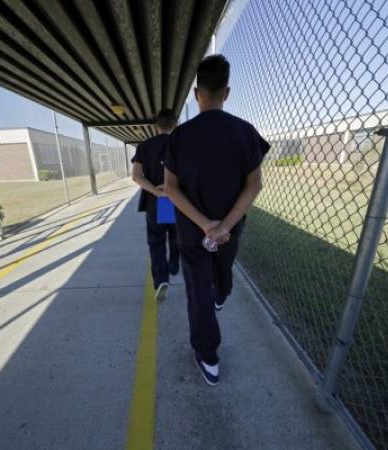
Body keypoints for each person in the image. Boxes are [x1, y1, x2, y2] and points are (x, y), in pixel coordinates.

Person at [164, 55, 270, 386]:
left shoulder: (179, 137)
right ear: (226, 92)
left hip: (192, 233)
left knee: (198, 291)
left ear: (197, 93)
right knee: (223, 274)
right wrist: (223, 226)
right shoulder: (245, 132)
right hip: (230, 230)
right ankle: (222, 293)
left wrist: (203, 224)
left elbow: (170, 188)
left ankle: (208, 357)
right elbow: (255, 183)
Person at [131, 108, 180, 302]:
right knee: (176, 235)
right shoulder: (182, 144)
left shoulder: (144, 146)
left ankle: (161, 279)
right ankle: (175, 263)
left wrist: (156, 191)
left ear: (155, 126)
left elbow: (136, 176)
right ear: (175, 124)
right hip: (177, 201)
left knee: (156, 242)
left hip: (157, 202)